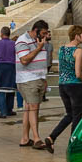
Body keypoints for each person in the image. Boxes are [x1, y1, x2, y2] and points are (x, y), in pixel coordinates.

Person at [39, 25, 82, 153]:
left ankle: (51, 137)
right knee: (77, 116)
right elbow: (78, 73)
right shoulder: (78, 51)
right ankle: (73, 145)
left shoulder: (61, 49)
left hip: (62, 85)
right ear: (76, 36)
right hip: (75, 86)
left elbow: (62, 68)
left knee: (70, 114)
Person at [15, 19, 50, 147]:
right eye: (44, 33)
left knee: (29, 108)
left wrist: (44, 79)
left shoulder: (40, 41)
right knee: (34, 108)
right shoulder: (22, 40)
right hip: (27, 79)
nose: (46, 36)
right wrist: (39, 48)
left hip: (38, 78)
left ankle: (25, 138)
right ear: (36, 31)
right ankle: (36, 138)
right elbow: (24, 60)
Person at [0, 26, 17, 118]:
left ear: (1, 34)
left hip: (0, 68)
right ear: (9, 34)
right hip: (12, 68)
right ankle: (9, 110)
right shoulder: (14, 44)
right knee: (11, 89)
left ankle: (3, 112)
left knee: (0, 90)